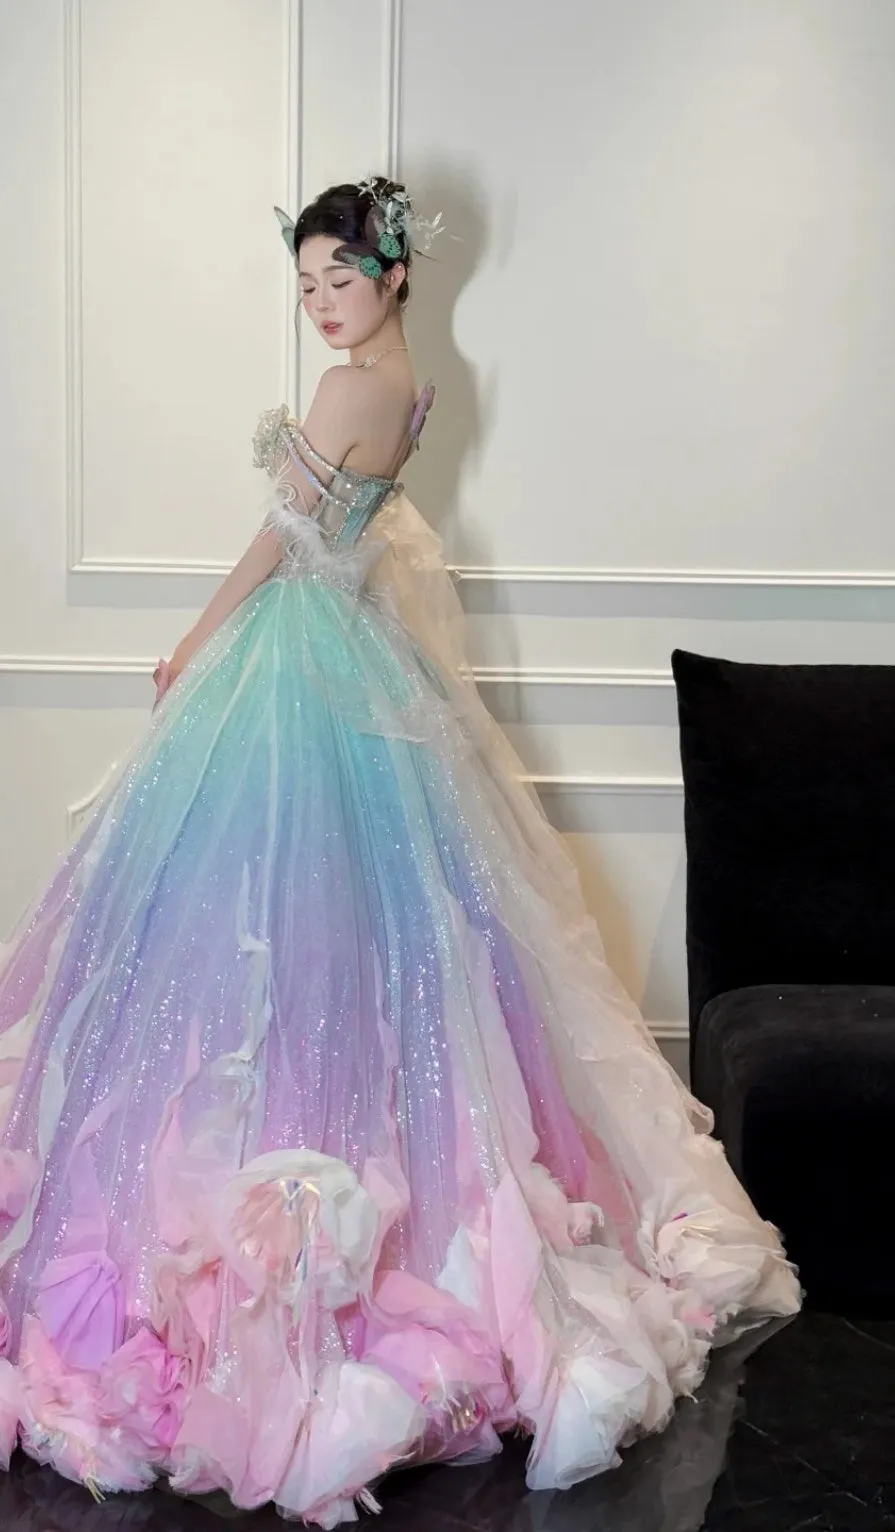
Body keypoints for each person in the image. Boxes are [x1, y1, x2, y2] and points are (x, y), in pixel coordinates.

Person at [0, 175, 800, 1527]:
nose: (321, 302)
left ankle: (267, 1187)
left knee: (262, 933)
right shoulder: (411, 383)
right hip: (346, 658)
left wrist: (192, 643)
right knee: (368, 938)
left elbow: (282, 542)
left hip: (295, 663)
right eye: (306, 283)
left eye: (341, 278)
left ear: (395, 275)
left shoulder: (350, 392)